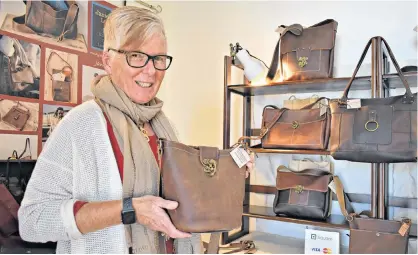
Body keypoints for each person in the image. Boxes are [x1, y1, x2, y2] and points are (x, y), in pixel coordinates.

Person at [18, 5, 254, 254]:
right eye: (137, 56)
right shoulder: (80, 125)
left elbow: (180, 201)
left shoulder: (164, 125)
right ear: (108, 61)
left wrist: (228, 175)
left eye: (159, 58)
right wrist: (129, 210)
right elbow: (33, 221)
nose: (151, 70)